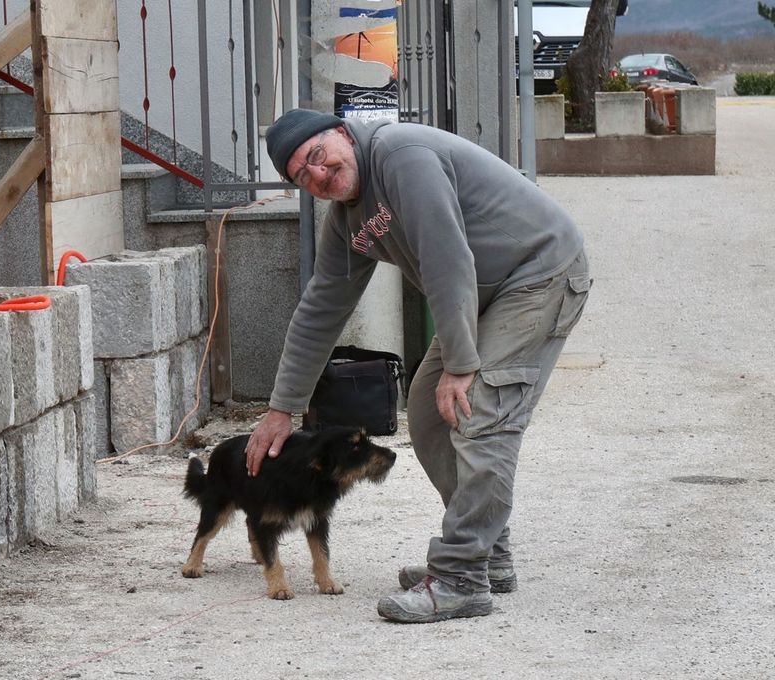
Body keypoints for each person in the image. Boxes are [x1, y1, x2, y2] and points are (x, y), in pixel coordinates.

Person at [244, 108, 591, 623]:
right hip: (480, 296)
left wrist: (460, 363)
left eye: (317, 156)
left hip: (538, 273)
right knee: (430, 419)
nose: (317, 175)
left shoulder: (400, 156)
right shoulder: (349, 221)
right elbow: (321, 309)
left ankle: (459, 578)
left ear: (341, 132)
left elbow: (446, 257)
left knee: (479, 412)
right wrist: (282, 409)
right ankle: (487, 554)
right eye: (302, 177)